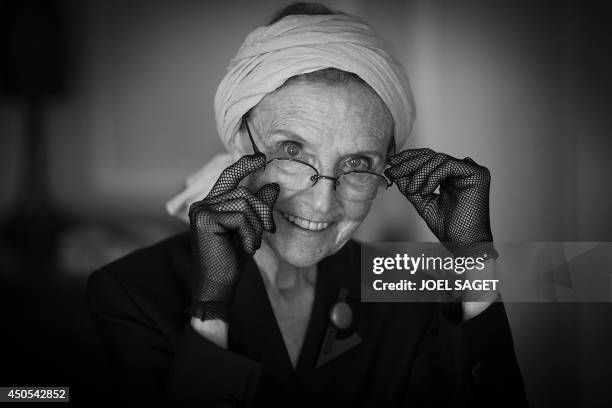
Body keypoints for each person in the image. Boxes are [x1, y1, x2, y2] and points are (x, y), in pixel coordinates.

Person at [87, 3, 528, 407]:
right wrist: (210, 316)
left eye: (358, 163)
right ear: (242, 143)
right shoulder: (134, 293)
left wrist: (475, 264)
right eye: (293, 153)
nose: (322, 201)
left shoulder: (405, 283)